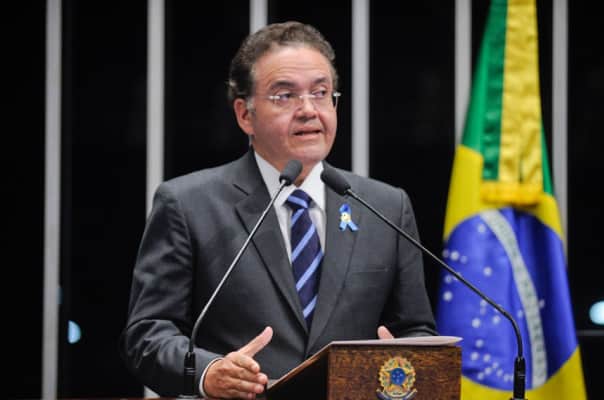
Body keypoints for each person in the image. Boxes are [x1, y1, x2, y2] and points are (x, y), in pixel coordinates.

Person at [120, 21, 436, 399]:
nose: (308, 110)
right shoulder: (189, 204)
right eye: (285, 96)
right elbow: (148, 335)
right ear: (245, 114)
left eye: (321, 93)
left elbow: (416, 331)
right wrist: (208, 372)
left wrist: (405, 359)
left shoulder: (385, 206)